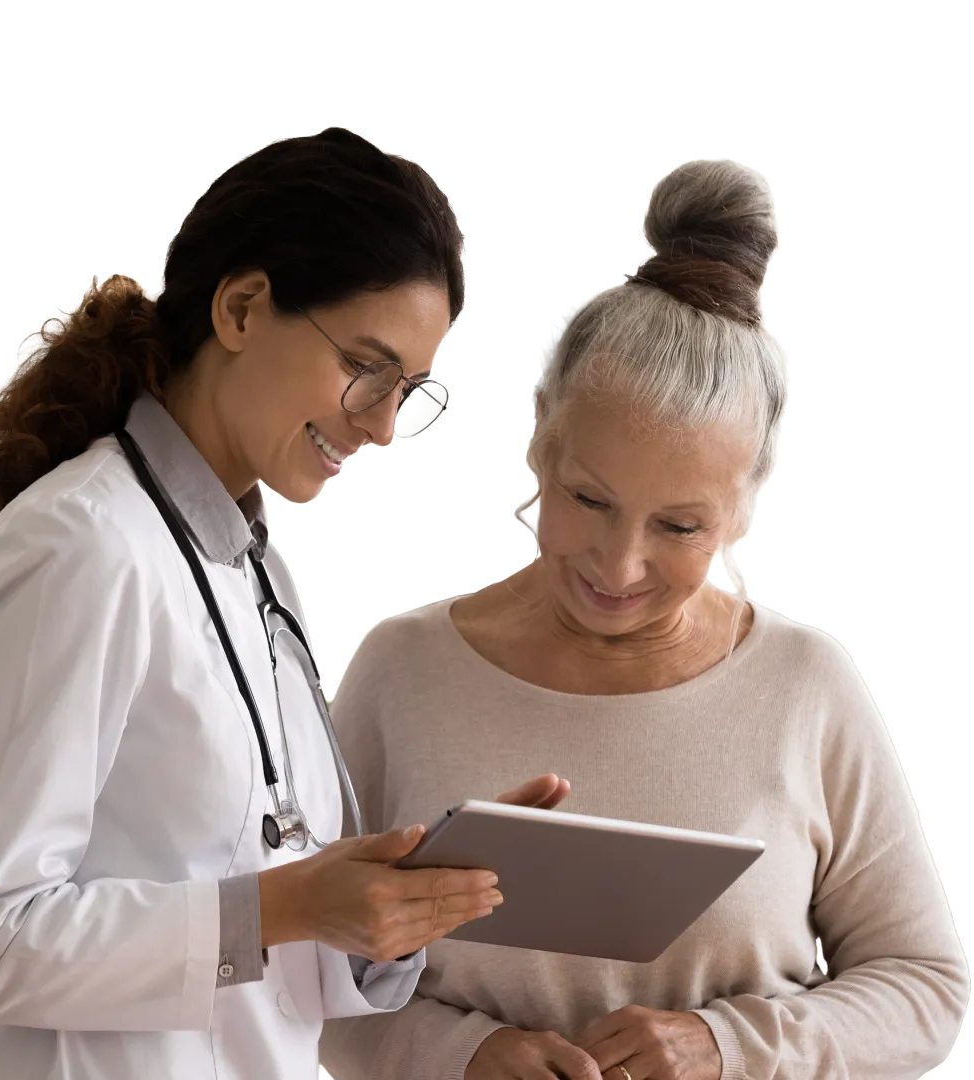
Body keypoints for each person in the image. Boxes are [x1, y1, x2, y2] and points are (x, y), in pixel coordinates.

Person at [0, 128, 562, 1080]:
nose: (382, 425)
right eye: (368, 369)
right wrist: (286, 906)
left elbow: (258, 952)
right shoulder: (82, 548)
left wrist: (389, 905)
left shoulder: (251, 566)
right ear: (244, 308)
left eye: (410, 392)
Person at [317, 159, 970, 1080]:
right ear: (539, 439)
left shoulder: (804, 687)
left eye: (678, 526)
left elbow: (923, 987)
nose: (617, 566)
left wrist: (727, 1046)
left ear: (745, 505)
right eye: (586, 498)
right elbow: (309, 981)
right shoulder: (400, 672)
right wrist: (463, 1055)